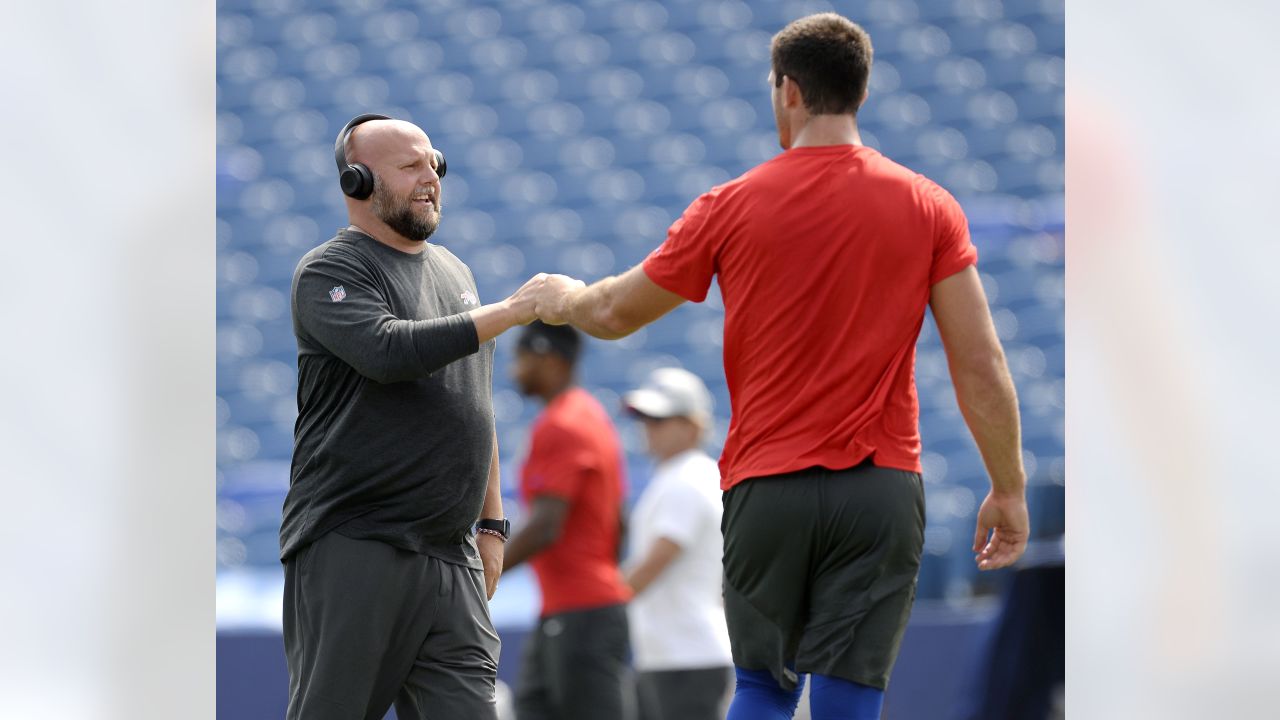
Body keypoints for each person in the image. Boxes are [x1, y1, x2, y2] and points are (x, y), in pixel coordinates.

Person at [527, 13, 1030, 720]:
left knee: (764, 688)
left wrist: (562, 299)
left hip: (768, 486)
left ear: (788, 90)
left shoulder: (730, 205)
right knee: (849, 693)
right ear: (860, 90)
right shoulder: (928, 206)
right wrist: (1007, 488)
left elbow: (613, 314)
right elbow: (980, 363)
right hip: (878, 485)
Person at [279, 114, 549, 720]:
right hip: (357, 540)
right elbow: (389, 352)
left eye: (435, 163)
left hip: (450, 553)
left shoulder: (457, 273)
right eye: (410, 166)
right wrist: (515, 309)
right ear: (357, 183)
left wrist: (493, 527)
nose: (431, 176)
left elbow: (475, 408)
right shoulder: (331, 271)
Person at [501, 321, 634, 720]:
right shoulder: (590, 415)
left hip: (580, 611)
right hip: (572, 608)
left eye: (523, 359)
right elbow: (619, 522)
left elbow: (546, 525)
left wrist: (479, 575)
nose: (515, 370)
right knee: (530, 706)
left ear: (550, 360)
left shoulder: (562, 424)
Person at [622, 367, 734, 720]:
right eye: (646, 418)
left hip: (687, 655)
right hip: (672, 653)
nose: (649, 427)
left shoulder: (687, 478)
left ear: (692, 426)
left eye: (660, 419)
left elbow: (656, 561)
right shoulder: (679, 475)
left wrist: (598, 601)